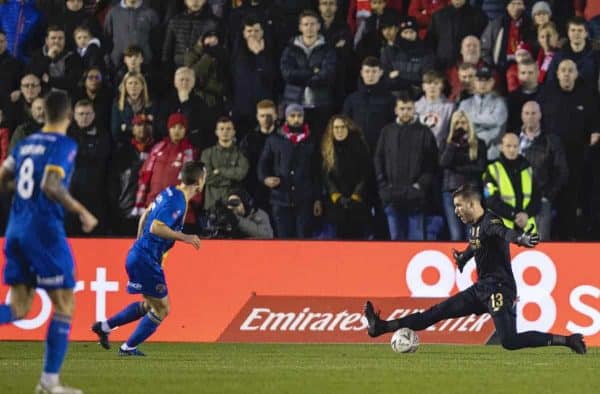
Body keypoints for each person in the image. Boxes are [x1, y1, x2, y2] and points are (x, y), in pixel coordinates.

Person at [364, 184, 587, 355]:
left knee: (509, 341)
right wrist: (464, 257)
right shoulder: (474, 227)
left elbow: (505, 234)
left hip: (500, 290)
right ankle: (381, 327)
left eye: (459, 205)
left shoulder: (490, 222)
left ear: (472, 204)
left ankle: (568, 340)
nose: (456, 211)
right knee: (434, 313)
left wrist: (521, 239)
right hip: (481, 288)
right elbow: (476, 243)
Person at [0, 90, 98, 393]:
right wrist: (82, 211)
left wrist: (23, 193)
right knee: (65, 302)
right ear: (68, 116)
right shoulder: (64, 144)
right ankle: (48, 382)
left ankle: (48, 383)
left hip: (15, 228)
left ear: (43, 114)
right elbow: (51, 184)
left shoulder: (25, 144)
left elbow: (3, 179)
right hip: (43, 230)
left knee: (19, 308)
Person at [92, 161, 205, 356]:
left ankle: (105, 326)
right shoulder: (177, 201)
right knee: (162, 309)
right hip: (146, 259)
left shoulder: (169, 192)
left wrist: (139, 243)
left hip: (140, 255)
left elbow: (145, 215)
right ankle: (128, 348)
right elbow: (156, 227)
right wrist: (186, 237)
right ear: (199, 181)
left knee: (149, 305)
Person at [482, 132, 540, 233]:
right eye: (508, 146)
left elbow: (537, 197)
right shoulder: (492, 169)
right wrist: (514, 214)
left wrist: (526, 214)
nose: (512, 149)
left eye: (515, 146)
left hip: (527, 227)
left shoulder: (528, 169)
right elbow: (491, 200)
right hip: (503, 226)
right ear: (501, 147)